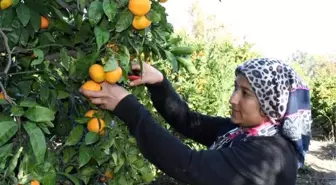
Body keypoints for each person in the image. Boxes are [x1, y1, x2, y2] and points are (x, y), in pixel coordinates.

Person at [79, 58, 312, 185]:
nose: (233, 98)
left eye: (245, 93)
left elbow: (189, 165)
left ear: (272, 103)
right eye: (235, 88)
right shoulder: (242, 132)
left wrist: (128, 108)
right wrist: (159, 83)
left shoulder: (269, 155)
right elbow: (189, 121)